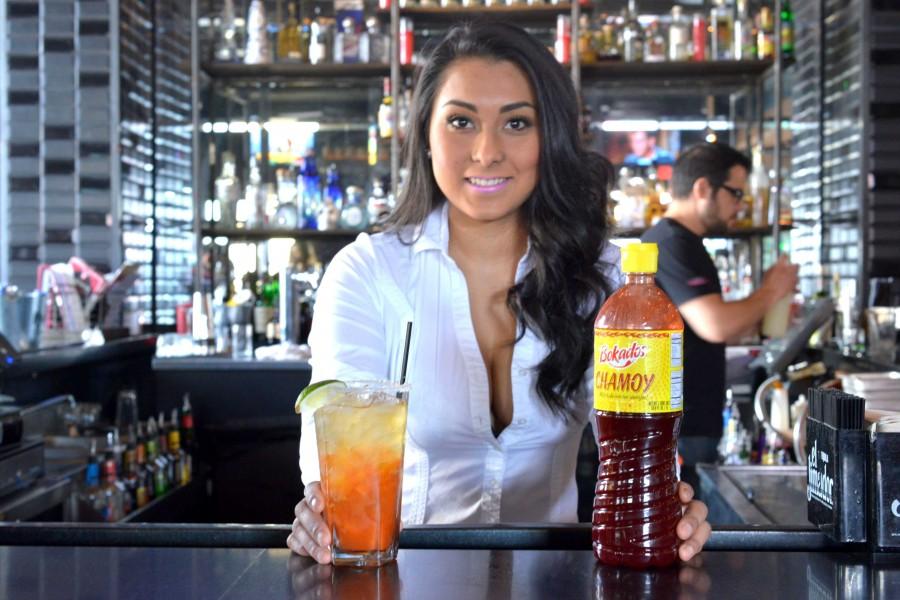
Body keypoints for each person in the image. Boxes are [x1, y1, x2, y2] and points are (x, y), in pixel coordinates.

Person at [287, 21, 711, 564]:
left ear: (550, 137)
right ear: (424, 133)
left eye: (516, 123)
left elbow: (638, 449)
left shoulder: (607, 278)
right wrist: (318, 519)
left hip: (560, 582)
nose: (486, 152)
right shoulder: (368, 274)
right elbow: (337, 464)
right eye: (461, 121)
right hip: (402, 581)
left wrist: (668, 515)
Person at [641, 142, 799, 489]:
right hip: (684, 423)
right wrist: (770, 290)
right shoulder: (671, 243)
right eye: (736, 193)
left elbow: (713, 328)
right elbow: (714, 325)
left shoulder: (686, 243)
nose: (741, 206)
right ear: (702, 188)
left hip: (693, 417)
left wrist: (763, 316)